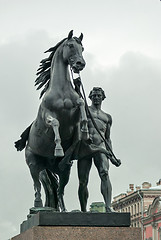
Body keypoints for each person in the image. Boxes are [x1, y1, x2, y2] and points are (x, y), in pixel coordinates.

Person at [78, 87, 119, 212]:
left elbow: (107, 138)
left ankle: (108, 206)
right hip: (86, 147)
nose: (96, 98)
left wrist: (112, 156)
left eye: (99, 96)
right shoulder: (84, 111)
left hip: (101, 147)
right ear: (90, 97)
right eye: (94, 95)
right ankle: (84, 209)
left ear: (102, 98)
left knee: (105, 173)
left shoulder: (107, 117)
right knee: (83, 180)